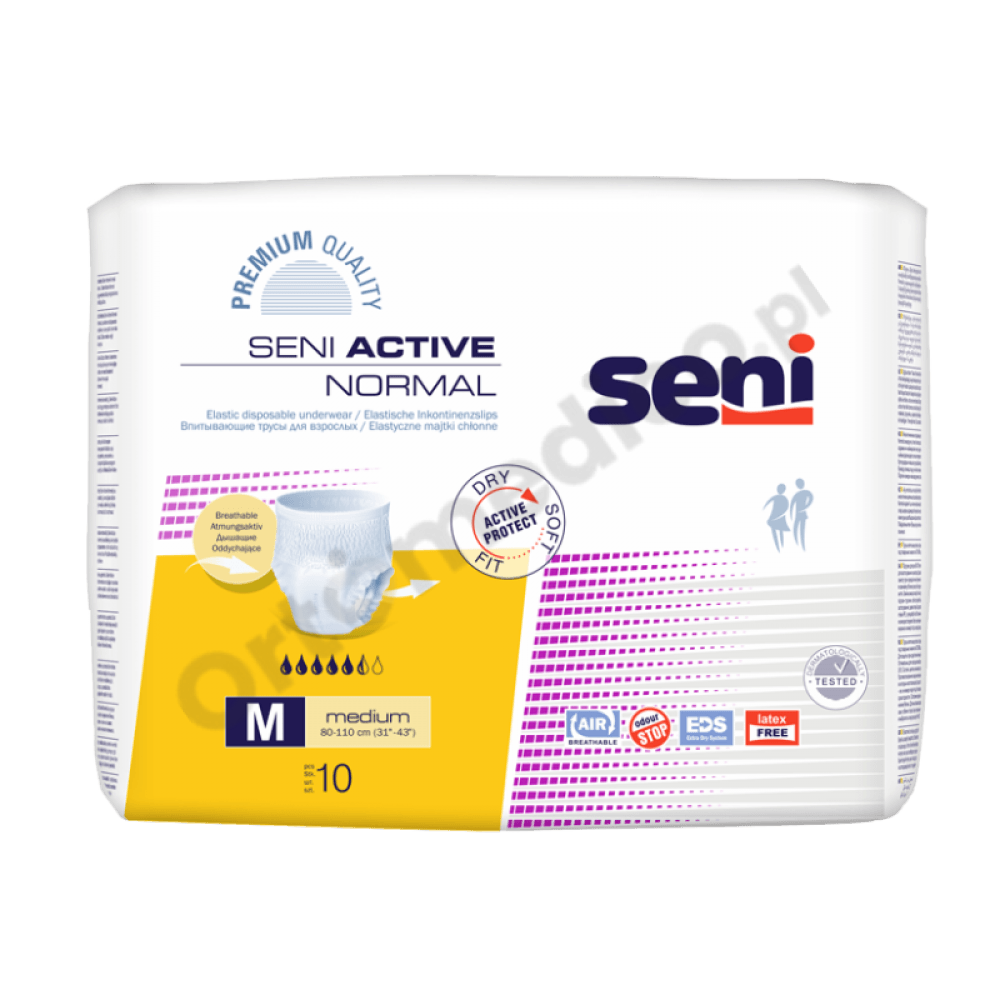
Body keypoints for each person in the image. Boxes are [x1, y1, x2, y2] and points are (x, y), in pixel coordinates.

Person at [763, 484, 790, 552]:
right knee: (777, 531)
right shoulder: (778, 497)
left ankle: (781, 546)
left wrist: (781, 514)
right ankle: (779, 547)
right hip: (775, 516)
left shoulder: (782, 498)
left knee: (779, 531)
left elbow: (786, 507)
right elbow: (767, 503)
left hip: (778, 516)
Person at [790, 478, 814, 550]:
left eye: (800, 484)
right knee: (795, 529)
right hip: (797, 515)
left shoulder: (807, 492)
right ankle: (797, 543)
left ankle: (803, 545)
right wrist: (791, 514)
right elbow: (792, 504)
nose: (799, 485)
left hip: (802, 514)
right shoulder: (797, 494)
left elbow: (811, 499)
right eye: (798, 484)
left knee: (802, 530)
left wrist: (805, 507)